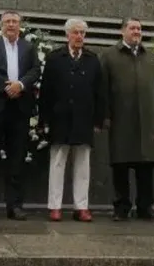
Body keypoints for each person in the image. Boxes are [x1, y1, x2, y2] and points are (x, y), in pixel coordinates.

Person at [0, 10, 41, 220]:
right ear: (1, 25)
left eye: (14, 21)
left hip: (19, 108)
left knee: (17, 158)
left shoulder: (29, 47)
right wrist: (6, 86)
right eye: (7, 22)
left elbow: (35, 70)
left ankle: (15, 205)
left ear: (20, 25)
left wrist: (20, 85)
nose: (11, 25)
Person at [39, 18, 106, 222]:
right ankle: (55, 206)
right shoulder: (54, 58)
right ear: (67, 34)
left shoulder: (92, 59)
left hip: (84, 119)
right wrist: (44, 119)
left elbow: (100, 92)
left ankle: (81, 207)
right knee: (57, 162)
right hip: (59, 119)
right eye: (75, 32)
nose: (79, 37)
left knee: (83, 165)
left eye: (82, 33)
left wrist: (98, 120)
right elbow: (46, 91)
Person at [101, 18, 154, 221]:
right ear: (123, 31)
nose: (136, 31)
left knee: (146, 166)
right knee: (120, 165)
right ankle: (121, 207)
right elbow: (103, 89)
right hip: (121, 120)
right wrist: (105, 115)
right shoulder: (109, 56)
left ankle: (145, 207)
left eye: (139, 28)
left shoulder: (152, 58)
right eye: (132, 28)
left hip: (147, 120)